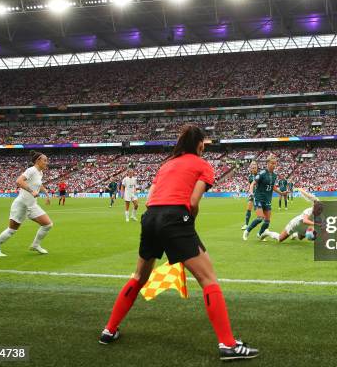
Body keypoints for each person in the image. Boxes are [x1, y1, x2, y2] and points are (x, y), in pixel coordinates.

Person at [99, 125, 258, 361]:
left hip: (150, 217)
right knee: (208, 279)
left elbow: (150, 199)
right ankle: (228, 345)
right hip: (175, 218)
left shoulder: (166, 164)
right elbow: (193, 202)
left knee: (138, 276)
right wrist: (186, 225)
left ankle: (108, 330)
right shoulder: (203, 165)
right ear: (200, 144)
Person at [0, 150, 53, 257]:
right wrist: (31, 191)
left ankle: (35, 245)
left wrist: (46, 194)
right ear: (38, 160)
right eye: (45, 160)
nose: (47, 162)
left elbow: (39, 184)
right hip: (22, 204)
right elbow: (19, 181)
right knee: (12, 230)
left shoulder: (40, 172)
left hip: (32, 205)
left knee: (48, 224)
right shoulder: (31, 170)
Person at [242, 155, 288, 241]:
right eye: (272, 163)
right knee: (260, 218)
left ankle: (259, 234)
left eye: (275, 163)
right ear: (267, 163)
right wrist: (251, 192)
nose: (273, 165)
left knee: (267, 221)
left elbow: (273, 186)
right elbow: (253, 184)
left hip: (267, 199)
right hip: (259, 198)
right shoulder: (262, 173)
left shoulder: (274, 175)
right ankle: (247, 231)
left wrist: (281, 193)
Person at [240, 161, 259, 230]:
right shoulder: (250, 176)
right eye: (252, 165)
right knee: (248, 209)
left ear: (257, 167)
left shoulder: (260, 175)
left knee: (259, 212)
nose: (253, 167)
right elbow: (249, 185)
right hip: (252, 194)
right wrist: (250, 192)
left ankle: (263, 228)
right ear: (250, 167)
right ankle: (246, 224)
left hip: (259, 195)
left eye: (254, 165)